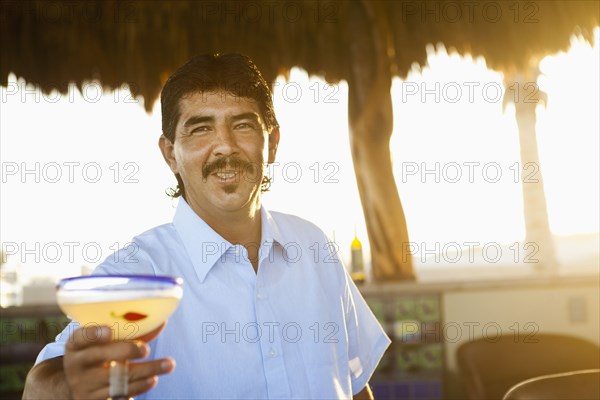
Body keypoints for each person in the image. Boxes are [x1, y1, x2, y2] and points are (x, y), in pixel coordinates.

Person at [23, 53, 390, 400]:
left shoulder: (314, 246)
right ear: (170, 155)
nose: (225, 147)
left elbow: (356, 386)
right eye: (201, 129)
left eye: (243, 125)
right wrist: (71, 386)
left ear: (273, 143)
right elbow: (40, 386)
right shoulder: (139, 273)